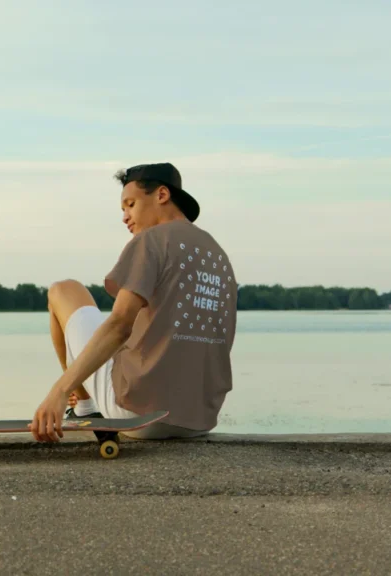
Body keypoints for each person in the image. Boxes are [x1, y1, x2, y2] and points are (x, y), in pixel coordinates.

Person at [30, 162, 237, 443]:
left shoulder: (152, 240)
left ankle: (84, 406)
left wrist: (59, 391)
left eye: (130, 204)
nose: (126, 217)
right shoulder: (218, 254)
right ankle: (87, 403)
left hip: (138, 414)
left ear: (161, 195)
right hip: (199, 419)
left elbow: (119, 325)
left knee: (63, 290)